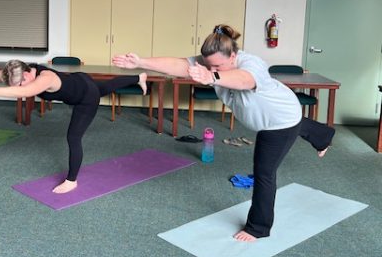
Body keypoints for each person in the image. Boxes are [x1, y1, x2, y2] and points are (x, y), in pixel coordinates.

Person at [112, 24, 335, 242]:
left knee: (264, 173)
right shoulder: (213, 63)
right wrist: (141, 62)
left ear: (233, 56)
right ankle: (322, 136)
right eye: (209, 67)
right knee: (299, 126)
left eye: (218, 66)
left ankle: (259, 228)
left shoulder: (251, 64)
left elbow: (245, 80)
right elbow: (180, 65)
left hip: (279, 122)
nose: (212, 70)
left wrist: (213, 78)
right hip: (276, 113)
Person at [0, 60, 148, 194]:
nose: (19, 86)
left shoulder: (45, 78)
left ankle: (72, 180)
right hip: (80, 80)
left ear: (27, 75)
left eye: (20, 83)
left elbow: (26, 91)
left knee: (73, 137)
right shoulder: (22, 69)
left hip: (85, 98)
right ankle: (139, 77)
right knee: (106, 85)